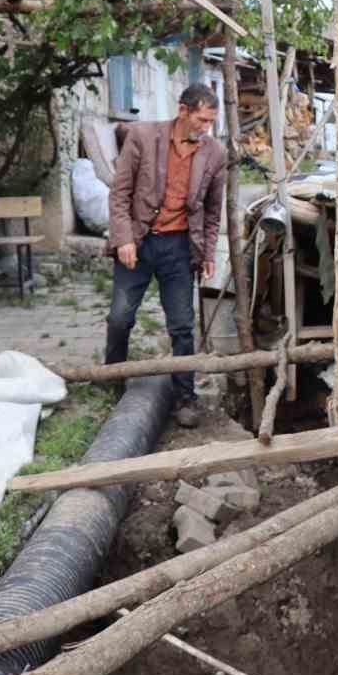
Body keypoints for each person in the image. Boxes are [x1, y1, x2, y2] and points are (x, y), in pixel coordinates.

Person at [105, 83, 226, 426]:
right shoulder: (143, 137)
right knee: (120, 317)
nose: (205, 128)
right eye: (201, 119)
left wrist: (208, 251)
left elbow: (213, 210)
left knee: (183, 326)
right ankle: (112, 379)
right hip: (139, 242)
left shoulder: (214, 153)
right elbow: (120, 193)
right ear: (183, 111)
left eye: (211, 122)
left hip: (179, 247)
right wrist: (124, 238)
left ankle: (185, 398)